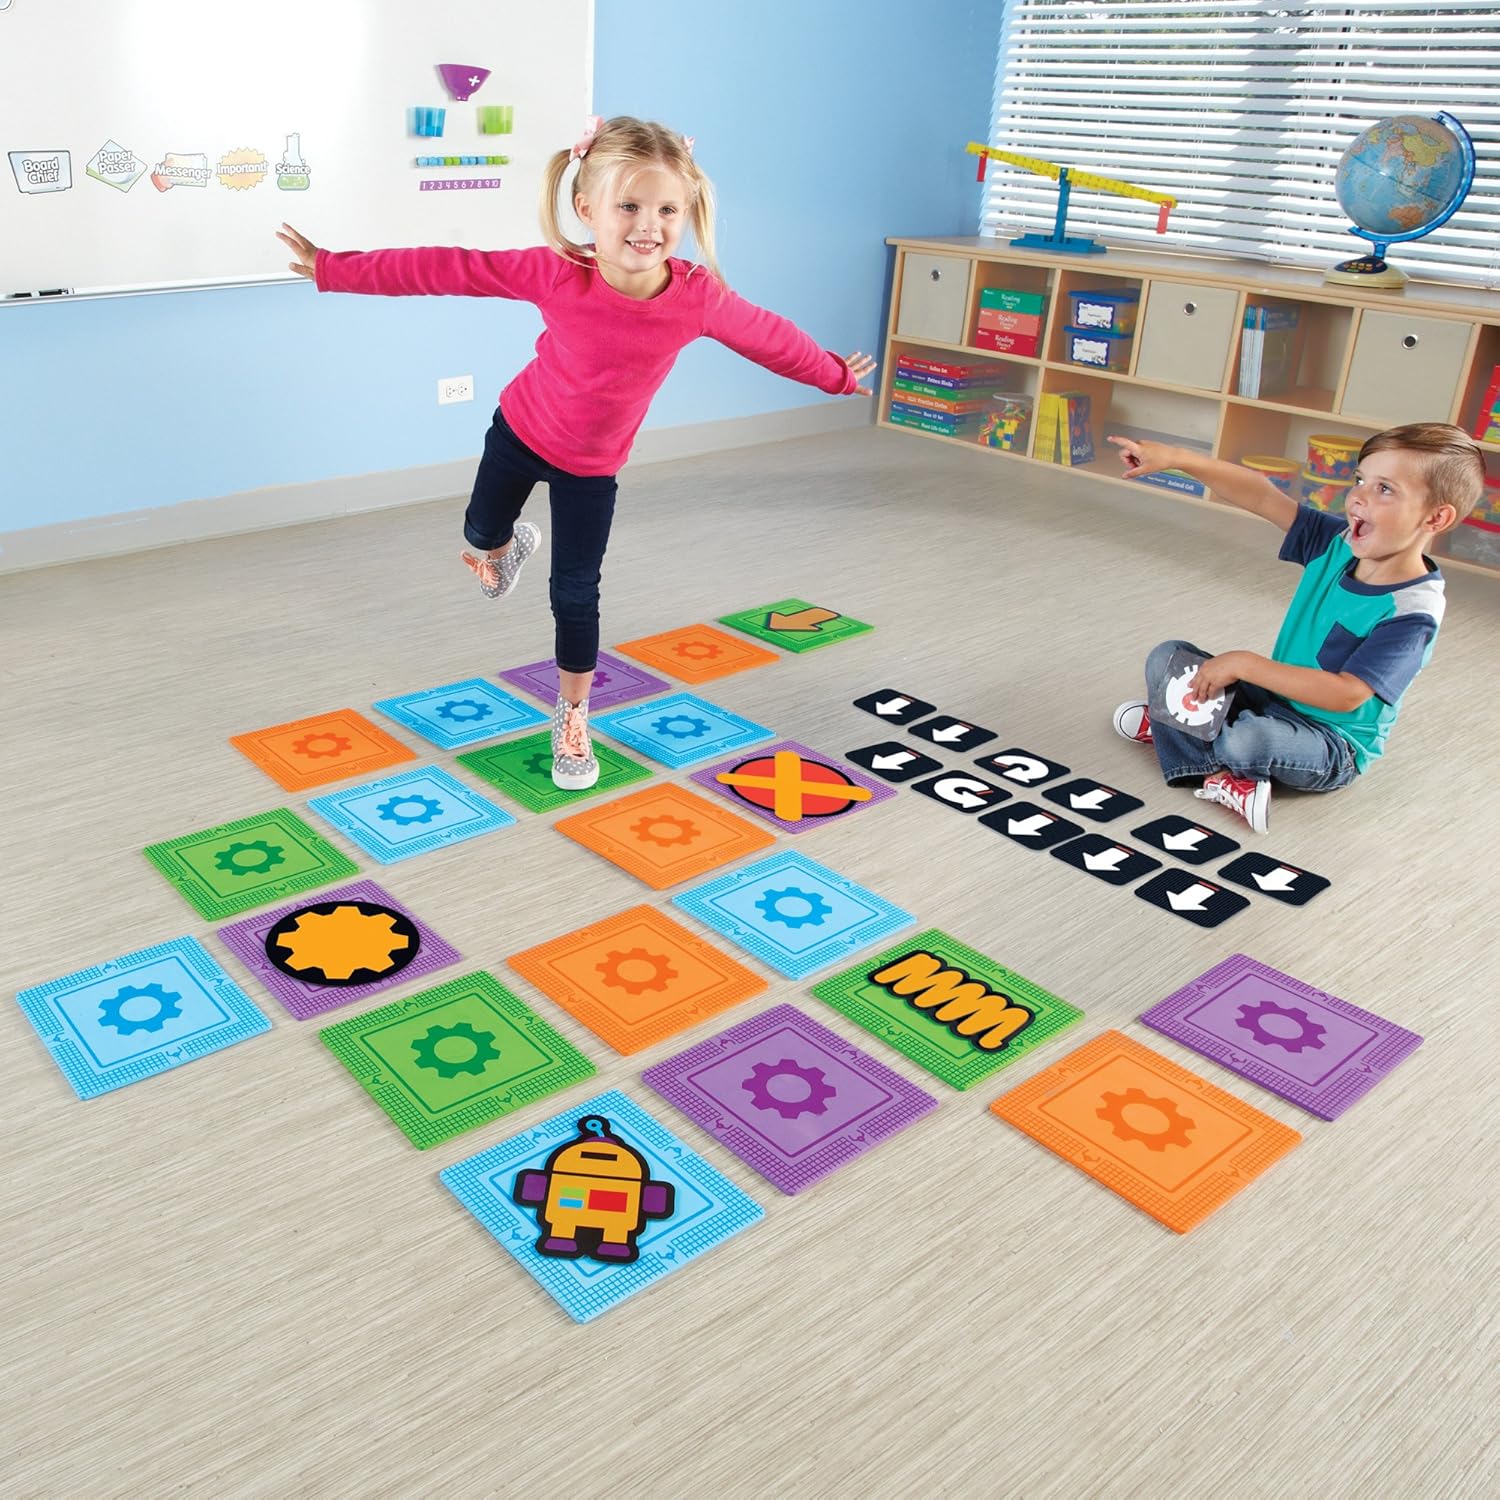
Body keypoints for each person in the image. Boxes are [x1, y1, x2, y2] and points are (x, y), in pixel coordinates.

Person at [276, 115, 874, 789]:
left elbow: (772, 338)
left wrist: (833, 375)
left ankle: (572, 715)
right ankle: (502, 552)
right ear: (587, 208)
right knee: (479, 532)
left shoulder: (697, 297)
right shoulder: (559, 272)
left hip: (592, 468)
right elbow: (448, 267)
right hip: (520, 432)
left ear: (688, 213)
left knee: (577, 594)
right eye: (629, 206)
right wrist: (333, 267)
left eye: (667, 210)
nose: (648, 225)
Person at [1108, 423, 1484, 832]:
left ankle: (1185, 738)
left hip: (1330, 742)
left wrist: (1245, 664)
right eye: (1360, 480)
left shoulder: (1413, 613)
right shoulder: (1337, 544)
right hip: (1273, 697)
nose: (1359, 496)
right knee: (1167, 657)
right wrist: (1177, 459)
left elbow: (1346, 695)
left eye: (1385, 489)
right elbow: (1261, 495)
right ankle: (1207, 756)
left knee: (1248, 740)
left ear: (1436, 517)